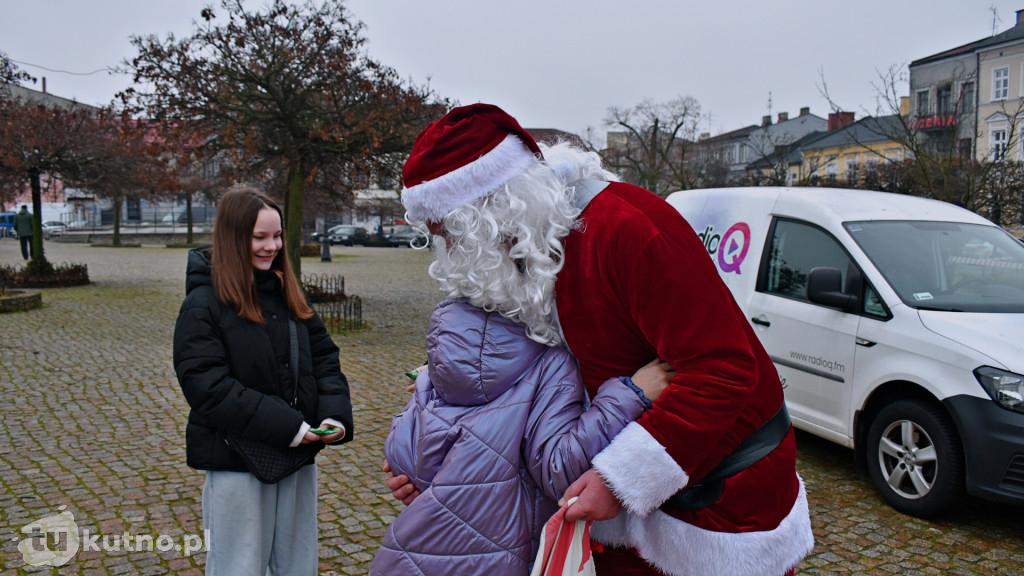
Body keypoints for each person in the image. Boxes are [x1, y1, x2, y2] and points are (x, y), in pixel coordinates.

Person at [388, 104, 814, 576]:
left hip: (710, 504)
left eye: (453, 231)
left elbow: (723, 371)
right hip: (600, 500)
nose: (450, 247)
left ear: (498, 206)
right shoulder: (517, 253)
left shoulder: (629, 228)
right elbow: (524, 368)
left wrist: (621, 481)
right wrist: (433, 449)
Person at [370, 139, 673, 573]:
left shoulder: (449, 339)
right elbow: (557, 467)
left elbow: (405, 452)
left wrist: (414, 467)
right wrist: (631, 393)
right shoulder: (548, 359)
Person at [173, 186, 353, 576]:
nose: (271, 246)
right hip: (236, 461)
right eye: (259, 237)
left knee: (297, 564)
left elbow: (324, 358)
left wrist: (334, 417)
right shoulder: (202, 305)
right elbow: (208, 387)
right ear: (235, 237)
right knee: (239, 566)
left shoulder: (288, 294)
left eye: (277, 236)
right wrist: (290, 426)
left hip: (298, 458)